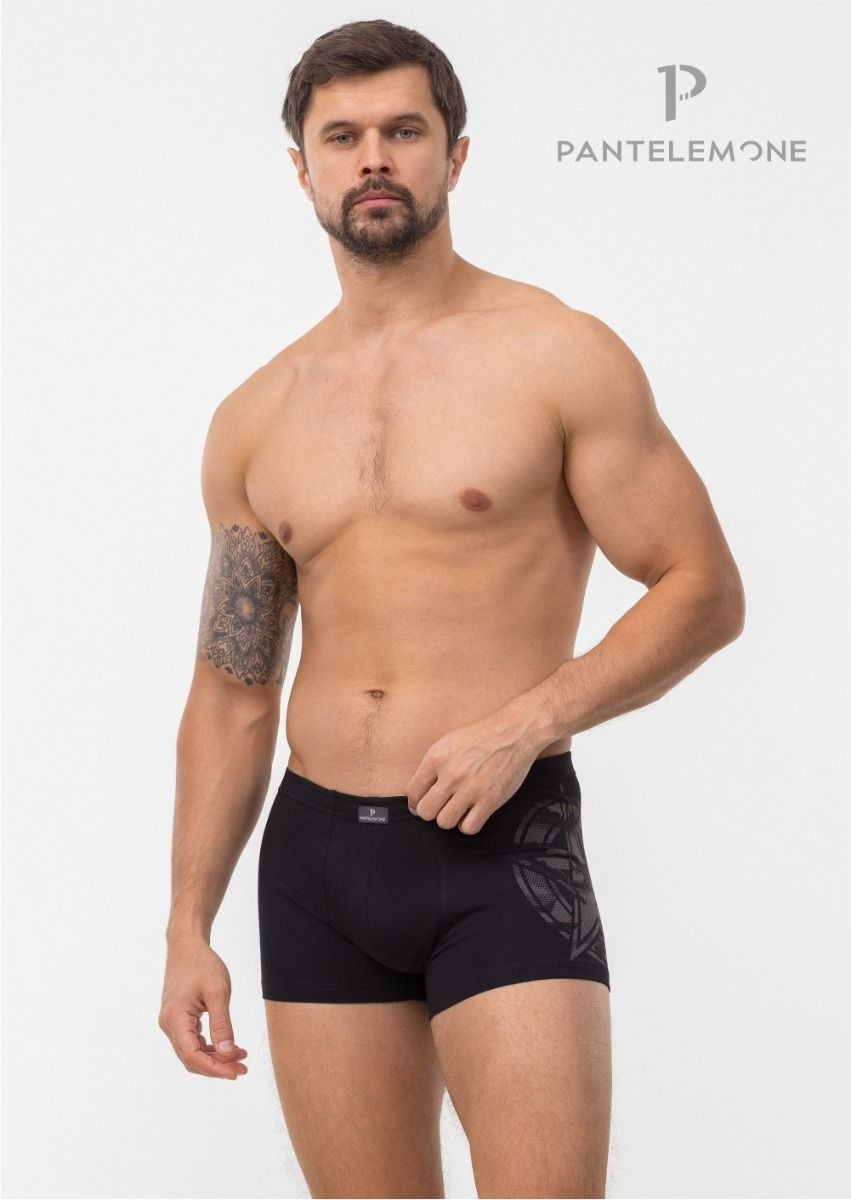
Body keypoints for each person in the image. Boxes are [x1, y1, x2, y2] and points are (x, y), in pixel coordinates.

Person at [158, 18, 745, 1199]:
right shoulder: (254, 419)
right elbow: (232, 690)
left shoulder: (557, 355)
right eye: (342, 137)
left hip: (501, 844)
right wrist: (186, 923)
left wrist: (527, 723)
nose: (373, 156)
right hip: (316, 862)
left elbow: (701, 588)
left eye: (403, 130)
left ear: (453, 154)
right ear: (303, 169)